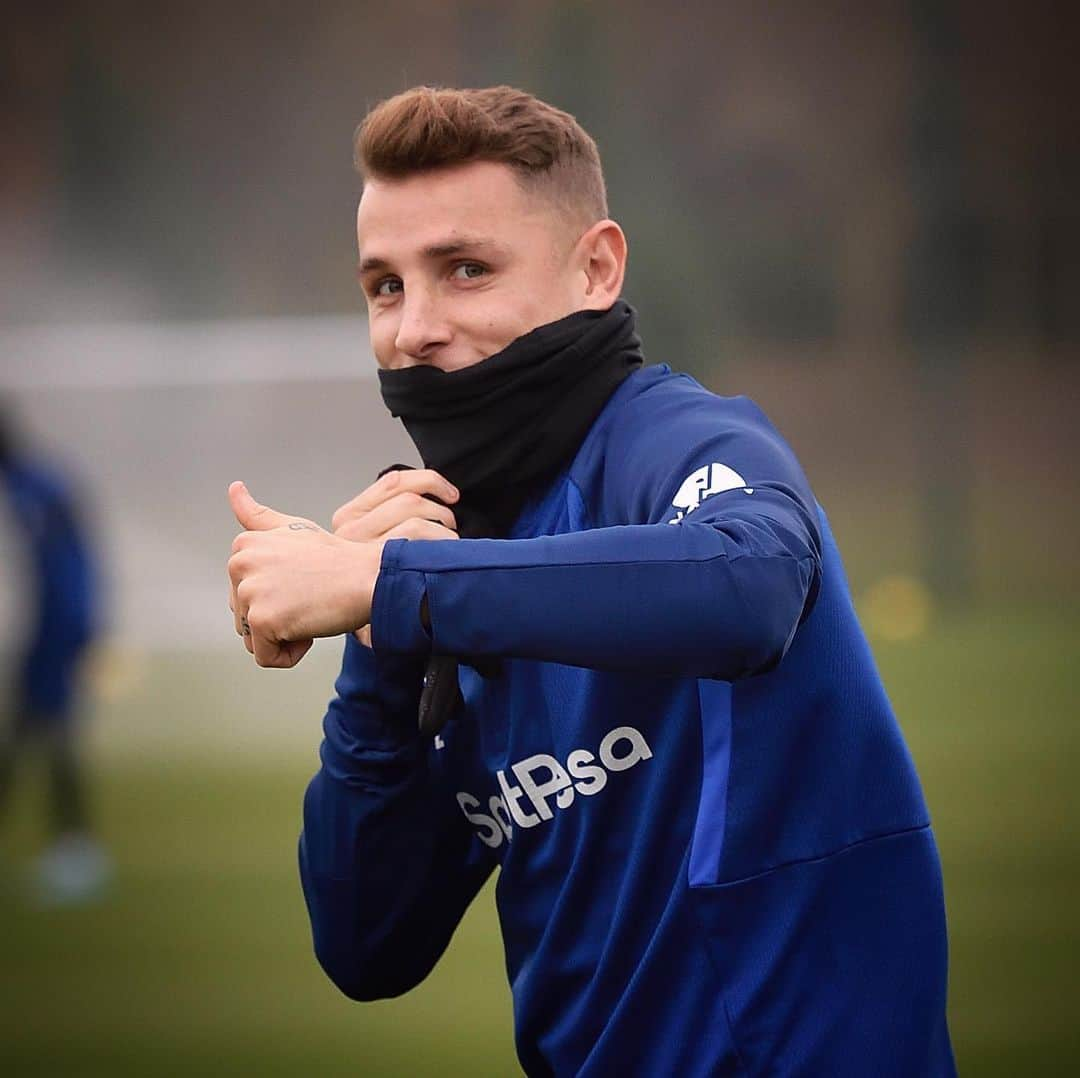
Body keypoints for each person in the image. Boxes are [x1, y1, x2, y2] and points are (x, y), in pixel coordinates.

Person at [226, 86, 955, 1075]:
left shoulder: (675, 442)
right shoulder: (451, 543)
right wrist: (374, 662)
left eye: (466, 269)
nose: (415, 330)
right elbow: (368, 945)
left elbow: (749, 588)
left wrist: (397, 581)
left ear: (596, 268)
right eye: (385, 286)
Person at [0, 400, 110, 904]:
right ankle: (75, 846)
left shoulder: (41, 489)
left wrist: (82, 630)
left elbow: (75, 564)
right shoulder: (31, 486)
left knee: (49, 736)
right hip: (37, 633)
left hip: (51, 636)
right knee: (29, 738)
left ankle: (77, 849)